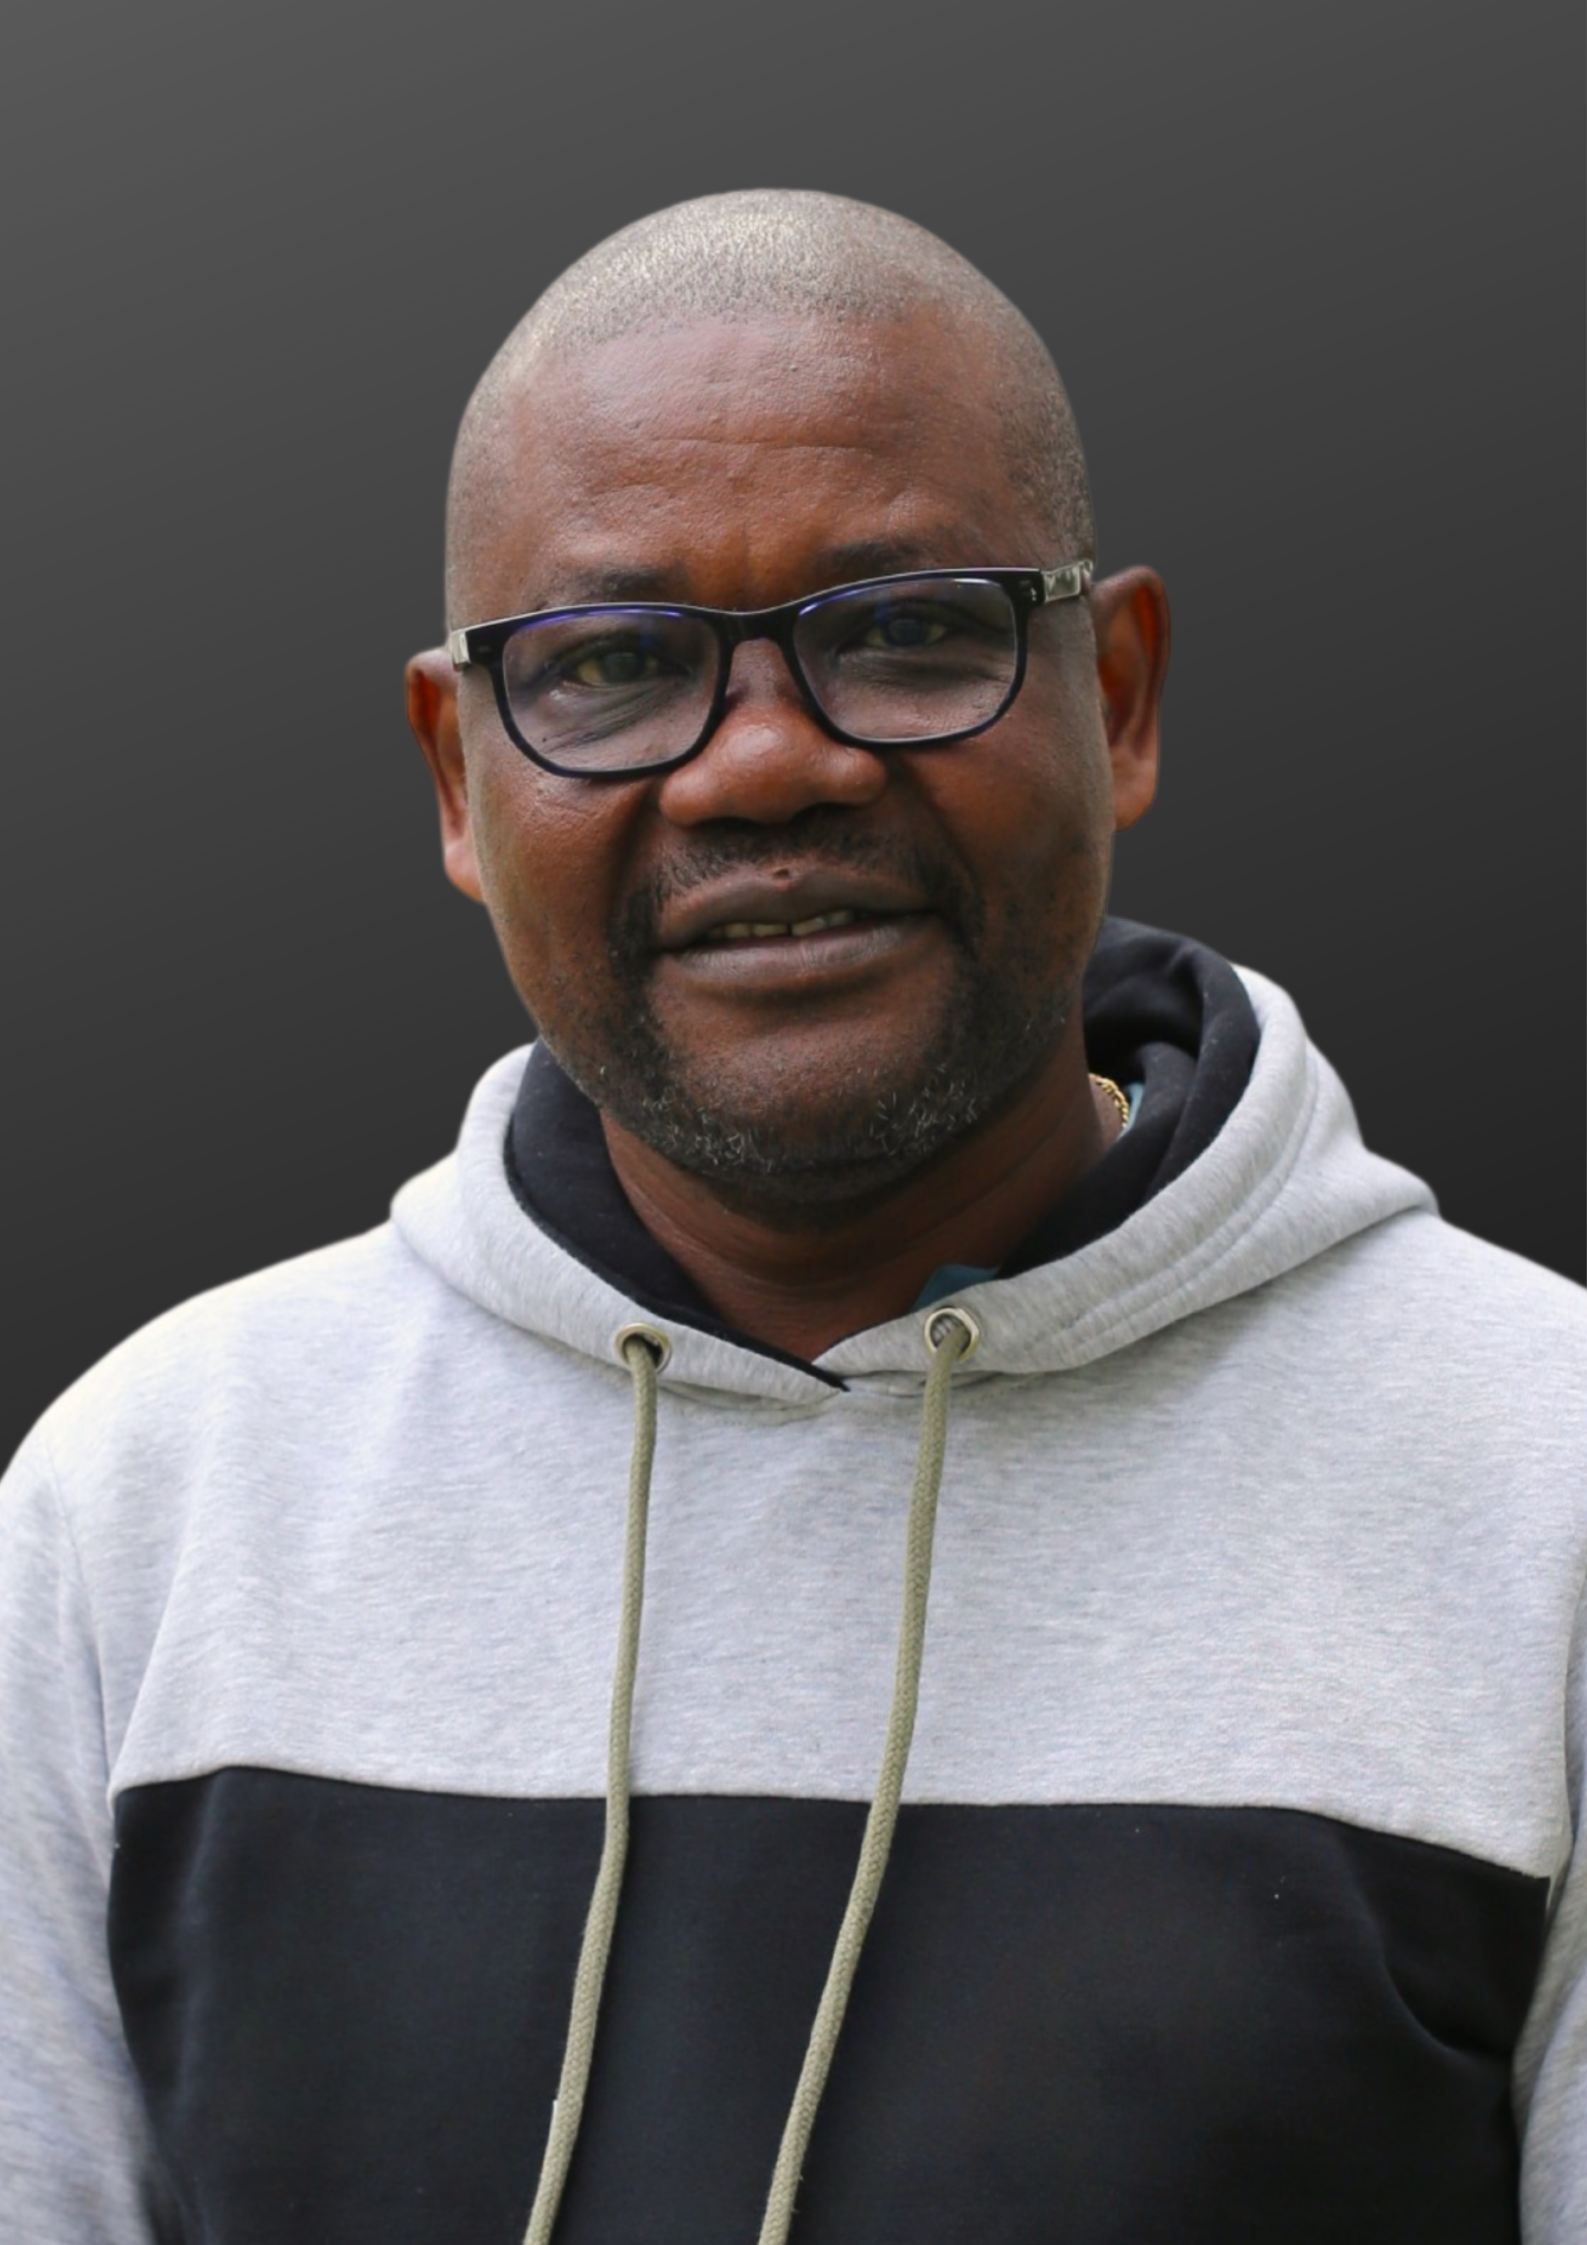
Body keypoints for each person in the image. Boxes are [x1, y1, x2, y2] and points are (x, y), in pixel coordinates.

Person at [0, 189, 1581, 2245]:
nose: (760, 766)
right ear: (458, 779)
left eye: (905, 630)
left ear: (1114, 697)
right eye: (609, 665)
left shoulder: (1544, 1492)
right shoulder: (149, 1512)